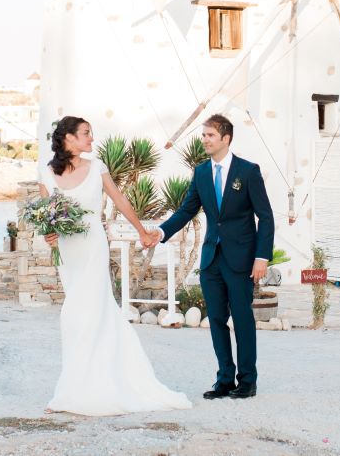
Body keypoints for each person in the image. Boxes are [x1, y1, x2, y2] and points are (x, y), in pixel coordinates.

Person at [40, 116, 191, 416]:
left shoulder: (97, 168)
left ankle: (101, 386)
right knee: (74, 315)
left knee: (90, 311)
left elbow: (120, 200)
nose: (91, 140)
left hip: (92, 246)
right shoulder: (45, 173)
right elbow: (47, 213)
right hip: (68, 251)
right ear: (68, 139)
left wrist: (142, 231)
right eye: (85, 134)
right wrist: (48, 232)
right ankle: (74, 387)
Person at [153, 113, 274, 401]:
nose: (204, 140)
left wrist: (262, 257)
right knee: (217, 319)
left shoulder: (248, 171)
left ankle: (247, 381)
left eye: (209, 135)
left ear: (225, 138)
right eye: (203, 135)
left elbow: (265, 217)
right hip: (211, 259)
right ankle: (224, 379)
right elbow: (186, 211)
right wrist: (159, 232)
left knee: (243, 319)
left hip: (241, 258)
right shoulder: (201, 173)